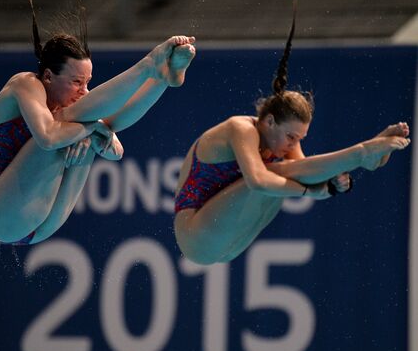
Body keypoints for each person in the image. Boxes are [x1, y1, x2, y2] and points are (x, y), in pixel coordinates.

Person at [173, 15, 410, 265]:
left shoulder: (284, 140)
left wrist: (334, 182)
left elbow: (307, 172)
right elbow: (257, 181)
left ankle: (364, 158)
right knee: (272, 173)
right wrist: (310, 191)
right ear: (270, 121)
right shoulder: (240, 128)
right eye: (291, 136)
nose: (293, 143)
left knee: (285, 173)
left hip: (232, 244)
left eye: (299, 138)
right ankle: (359, 153)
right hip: (197, 237)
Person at [0, 0, 196, 245]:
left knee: (83, 129)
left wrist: (94, 131)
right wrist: (93, 129)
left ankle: (160, 78)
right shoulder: (25, 84)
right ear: (48, 76)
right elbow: (47, 137)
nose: (84, 91)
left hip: (43, 224)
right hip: (1, 215)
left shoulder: (73, 113)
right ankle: (149, 68)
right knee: (67, 128)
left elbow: (115, 146)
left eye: (88, 82)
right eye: (76, 82)